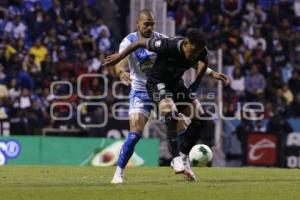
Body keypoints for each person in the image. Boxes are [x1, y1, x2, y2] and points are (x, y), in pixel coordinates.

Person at [105, 27, 229, 182]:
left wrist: (207, 77)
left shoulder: (195, 49)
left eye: (152, 23)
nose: (149, 26)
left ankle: (183, 159)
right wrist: (118, 64)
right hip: (147, 88)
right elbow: (134, 47)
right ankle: (118, 173)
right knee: (137, 132)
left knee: (199, 117)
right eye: (146, 23)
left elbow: (200, 62)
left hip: (174, 85)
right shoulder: (162, 44)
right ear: (139, 24)